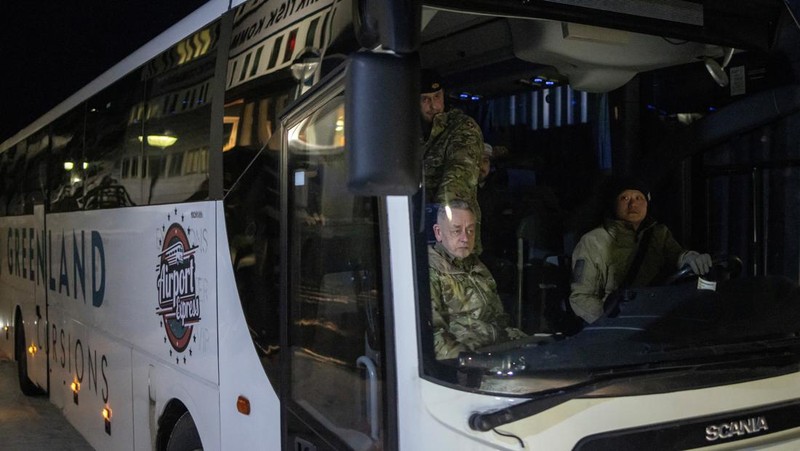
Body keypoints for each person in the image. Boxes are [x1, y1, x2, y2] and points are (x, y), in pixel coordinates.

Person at [569, 176, 713, 324]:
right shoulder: (593, 241)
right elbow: (581, 297)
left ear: (647, 203)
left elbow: (677, 255)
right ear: (613, 204)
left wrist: (692, 258)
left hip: (654, 316)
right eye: (624, 198)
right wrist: (612, 322)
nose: (633, 204)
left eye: (639, 198)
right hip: (618, 323)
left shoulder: (659, 234)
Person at [428, 200, 526, 360]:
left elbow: (499, 319)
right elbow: (433, 337)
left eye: (470, 230)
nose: (465, 238)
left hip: (496, 352)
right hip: (466, 364)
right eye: (456, 231)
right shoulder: (430, 272)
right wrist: (467, 362)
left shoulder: (477, 266)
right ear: (438, 232)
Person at [420, 69, 484, 251]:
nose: (433, 106)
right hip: (418, 234)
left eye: (437, 96)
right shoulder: (407, 133)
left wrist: (439, 235)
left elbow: (457, 181)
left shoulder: (462, 127)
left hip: (454, 239)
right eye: (425, 99)